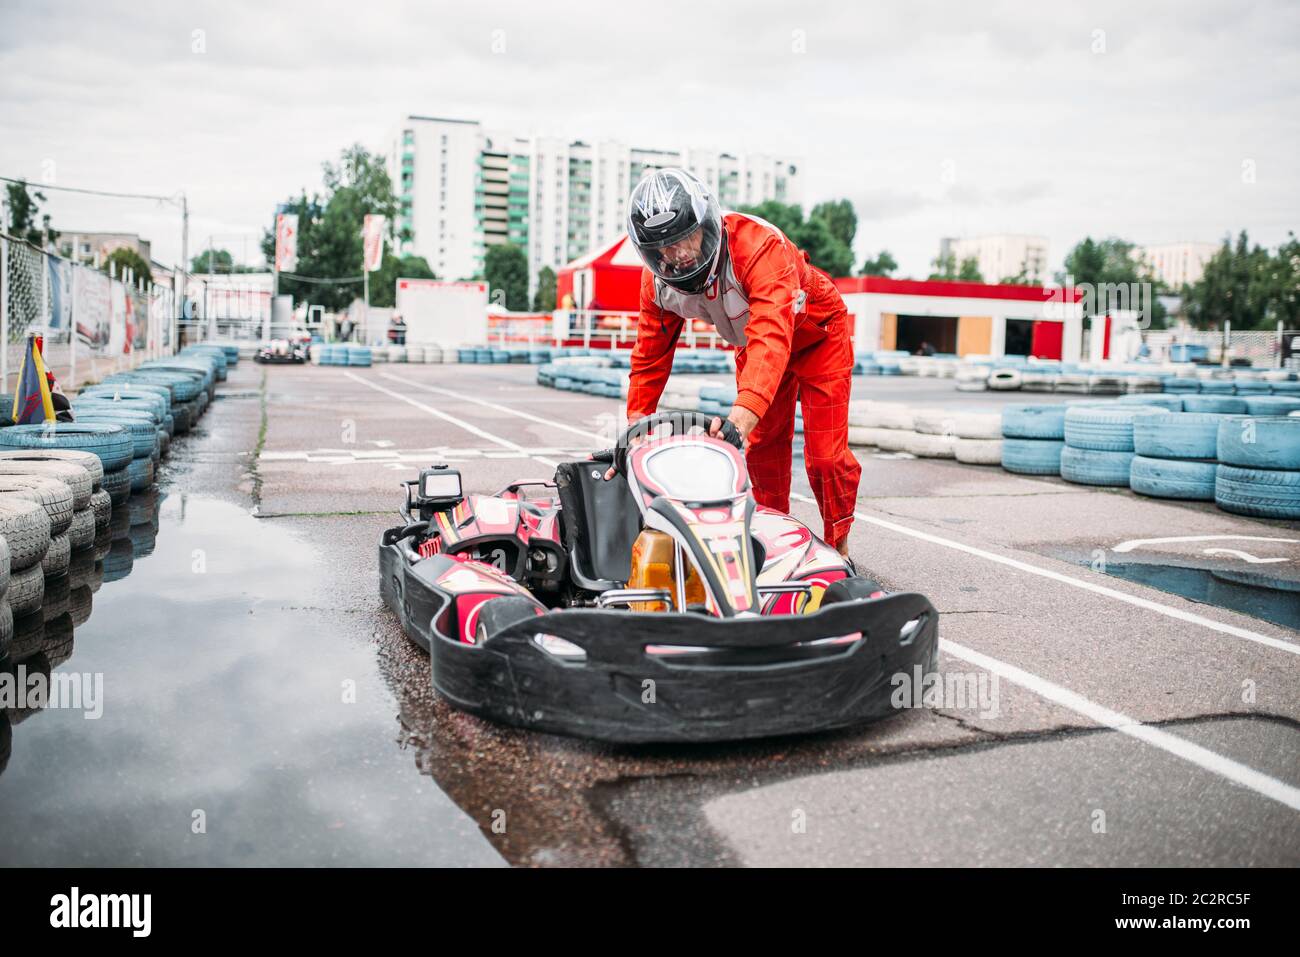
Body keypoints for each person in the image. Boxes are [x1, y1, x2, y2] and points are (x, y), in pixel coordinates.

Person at [615, 167, 861, 557]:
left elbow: (773, 339)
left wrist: (740, 420)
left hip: (816, 336)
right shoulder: (657, 284)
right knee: (762, 454)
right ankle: (775, 545)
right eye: (663, 248)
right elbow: (649, 357)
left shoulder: (761, 248)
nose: (676, 255)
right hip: (754, 341)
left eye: (684, 239)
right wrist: (633, 430)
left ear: (706, 224)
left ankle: (839, 544)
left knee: (826, 458)